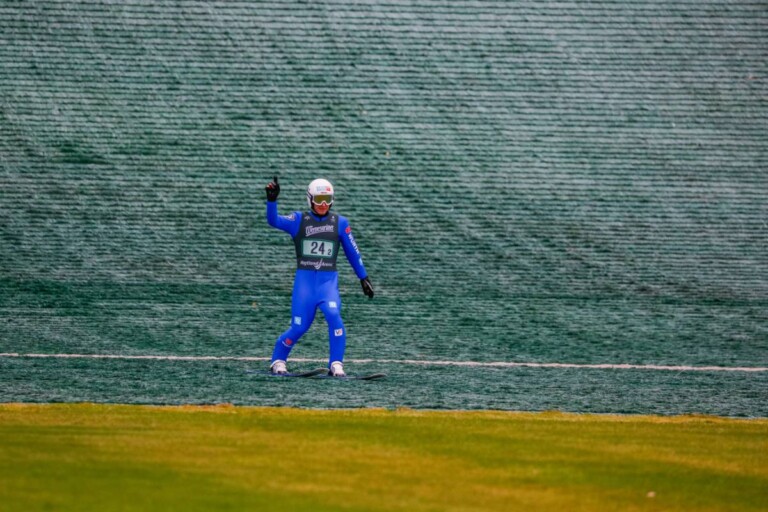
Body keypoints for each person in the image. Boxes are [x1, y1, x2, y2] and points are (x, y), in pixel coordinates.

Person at [265, 176, 374, 377]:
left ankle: (336, 364)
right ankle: (278, 360)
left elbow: (353, 252)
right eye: (318, 199)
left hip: (327, 284)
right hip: (305, 285)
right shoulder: (299, 220)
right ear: (310, 199)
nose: (323, 204)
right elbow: (274, 221)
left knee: (334, 316)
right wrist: (272, 201)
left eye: (327, 199)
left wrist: (363, 277)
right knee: (299, 326)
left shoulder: (340, 223)